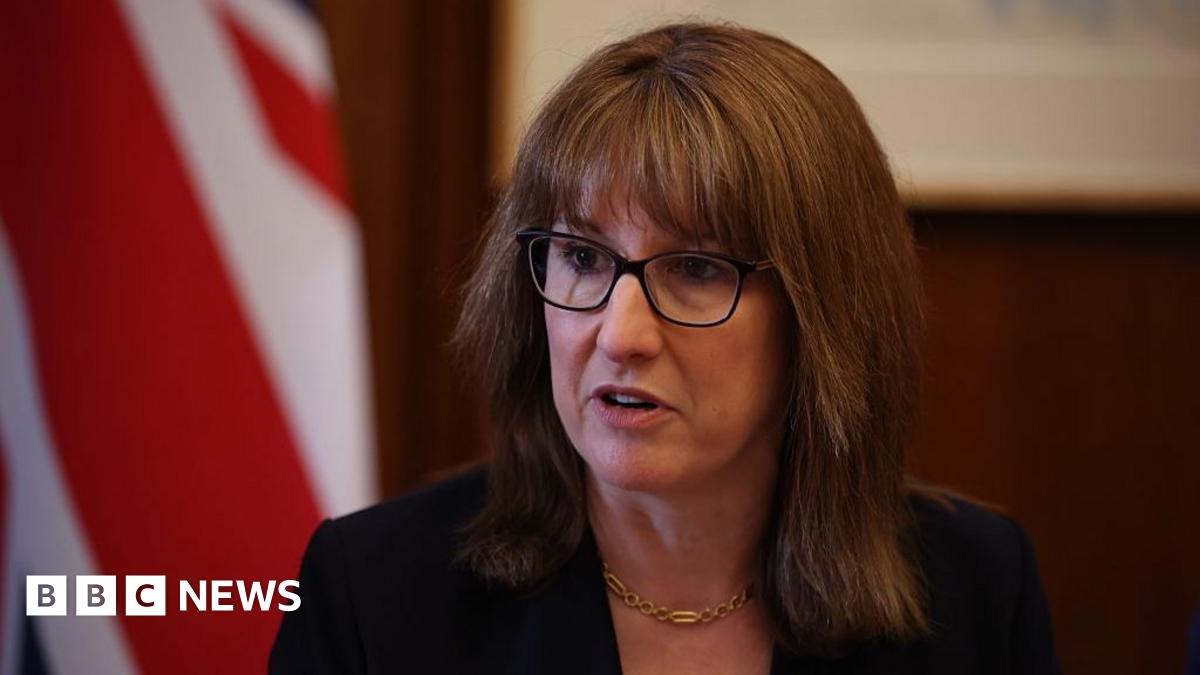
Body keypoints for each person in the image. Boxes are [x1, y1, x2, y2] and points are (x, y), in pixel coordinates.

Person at [269, 22, 1059, 674]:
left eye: (695, 269)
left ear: (820, 314)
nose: (621, 334)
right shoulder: (375, 592)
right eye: (582, 257)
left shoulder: (977, 590)